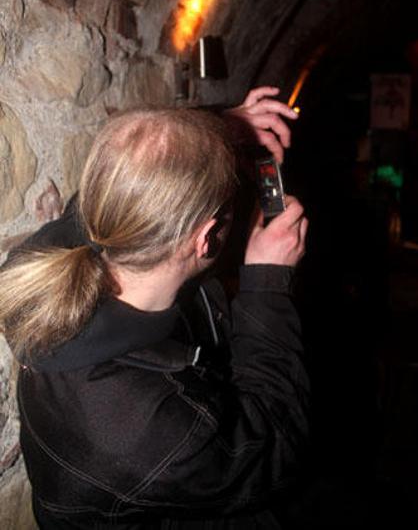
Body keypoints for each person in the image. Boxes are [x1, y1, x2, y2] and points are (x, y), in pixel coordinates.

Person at [0, 87, 309, 529]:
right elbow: (274, 446)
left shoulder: (49, 250)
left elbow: (141, 161)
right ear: (206, 239)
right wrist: (268, 284)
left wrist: (227, 125)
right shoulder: (152, 431)